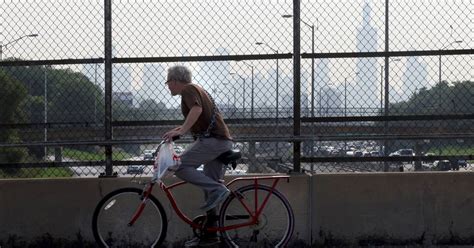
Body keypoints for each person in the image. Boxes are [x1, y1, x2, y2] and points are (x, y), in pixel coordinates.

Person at [162, 65, 233, 247]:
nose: (167, 86)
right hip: (220, 141)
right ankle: (211, 236)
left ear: (176, 81)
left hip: (214, 141)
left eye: (168, 82)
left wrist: (182, 131)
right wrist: (177, 131)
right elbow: (197, 118)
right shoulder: (197, 90)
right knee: (209, 191)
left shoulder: (188, 89)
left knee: (179, 166)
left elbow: (197, 111)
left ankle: (218, 190)